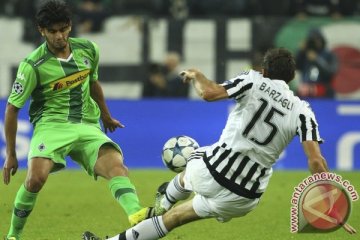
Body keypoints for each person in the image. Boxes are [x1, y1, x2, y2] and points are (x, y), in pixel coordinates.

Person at [83, 48, 356, 240]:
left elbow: (210, 94)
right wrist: (332, 205)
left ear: (264, 70)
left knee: (193, 154)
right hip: (245, 198)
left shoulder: (253, 80)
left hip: (212, 173)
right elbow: (316, 162)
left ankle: (164, 199)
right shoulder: (303, 111)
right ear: (292, 78)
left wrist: (197, 76)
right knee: (176, 219)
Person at [2, 1, 153, 239]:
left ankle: (137, 216)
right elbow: (12, 108)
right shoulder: (32, 66)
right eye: (52, 31)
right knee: (35, 180)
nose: (59, 36)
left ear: (70, 26)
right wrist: (10, 154)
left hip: (86, 124)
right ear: (42, 30)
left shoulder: (88, 50)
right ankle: (13, 235)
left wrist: (105, 115)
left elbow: (93, 83)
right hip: (51, 126)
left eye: (63, 29)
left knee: (116, 167)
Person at [295, 28, 338, 98]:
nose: (316, 42)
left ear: (322, 40)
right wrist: (301, 51)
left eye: (318, 39)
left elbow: (332, 71)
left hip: (324, 92)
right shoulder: (305, 54)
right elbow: (296, 66)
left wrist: (316, 59)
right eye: (313, 40)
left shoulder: (330, 55)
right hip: (306, 92)